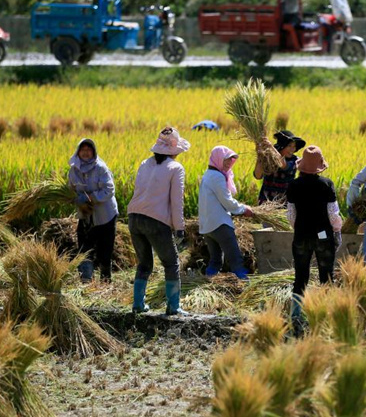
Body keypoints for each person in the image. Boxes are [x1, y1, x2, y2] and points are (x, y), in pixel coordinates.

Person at [127, 127, 188, 315]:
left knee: (144, 263)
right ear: (174, 151)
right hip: (155, 221)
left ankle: (138, 304)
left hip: (134, 217)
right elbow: (177, 201)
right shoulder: (176, 168)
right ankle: (174, 306)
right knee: (171, 263)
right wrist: (179, 227)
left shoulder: (145, 163)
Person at [286, 146, 342, 334]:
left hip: (301, 236)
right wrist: (337, 231)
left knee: (300, 277)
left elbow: (290, 215)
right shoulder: (326, 184)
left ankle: (295, 316)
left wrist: (300, 229)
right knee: (326, 276)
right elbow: (333, 215)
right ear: (319, 166)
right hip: (323, 236)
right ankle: (326, 314)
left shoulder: (293, 185)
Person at [68, 138, 118, 283]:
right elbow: (70, 189)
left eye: (88, 150)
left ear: (93, 152)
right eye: (82, 150)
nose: (85, 152)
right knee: (84, 248)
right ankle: (86, 281)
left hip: (105, 215)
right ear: (78, 152)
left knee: (105, 249)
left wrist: (90, 198)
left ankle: (105, 280)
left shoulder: (100, 168)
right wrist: (76, 200)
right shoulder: (73, 170)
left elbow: (109, 190)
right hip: (85, 214)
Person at [200, 146, 254, 279]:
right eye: (226, 159)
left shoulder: (208, 174)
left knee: (215, 261)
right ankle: (246, 284)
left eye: (231, 160)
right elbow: (227, 201)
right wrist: (243, 209)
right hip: (220, 224)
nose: (229, 163)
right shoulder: (217, 176)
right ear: (218, 159)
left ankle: (207, 283)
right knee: (236, 260)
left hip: (207, 226)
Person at [254, 130, 306, 205]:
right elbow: (258, 176)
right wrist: (260, 155)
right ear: (282, 146)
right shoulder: (268, 158)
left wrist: (270, 147)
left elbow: (283, 164)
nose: (293, 149)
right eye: (289, 146)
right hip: (265, 204)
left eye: (294, 146)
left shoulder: (295, 161)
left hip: (284, 204)